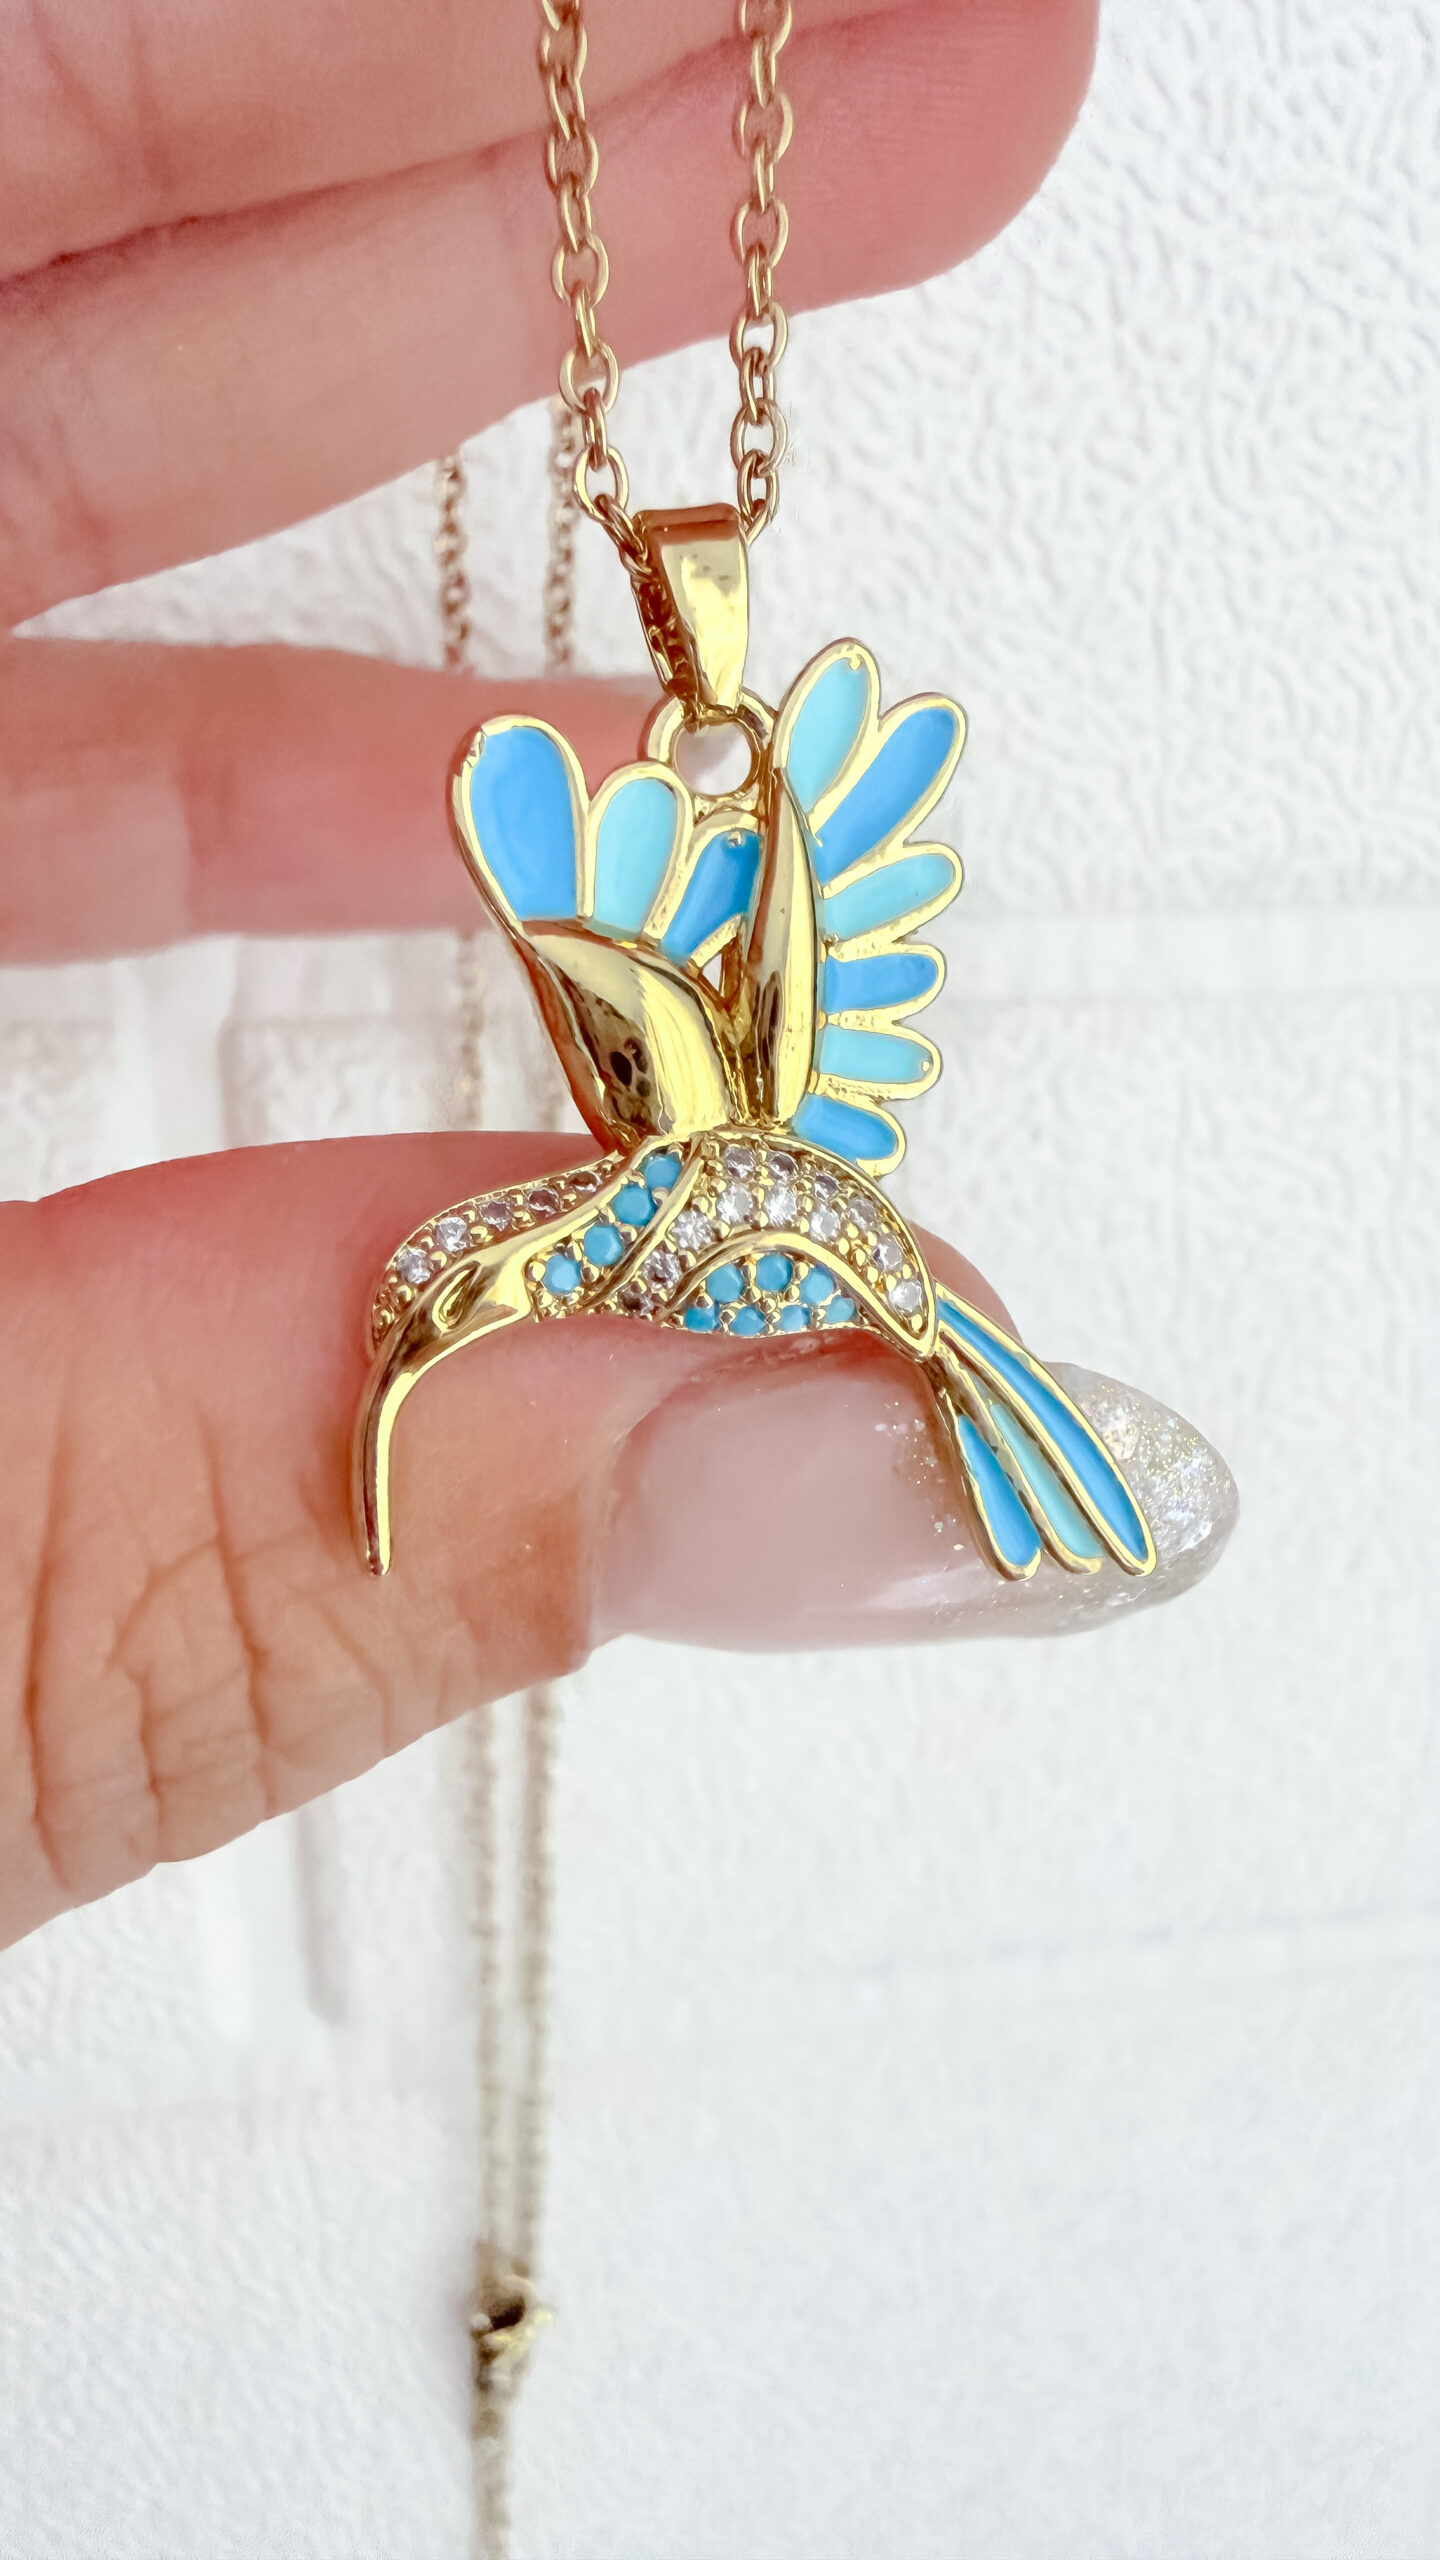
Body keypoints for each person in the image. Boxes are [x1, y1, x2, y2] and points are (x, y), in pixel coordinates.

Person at [0, 0, 1197, 1952]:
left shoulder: (661, 1156)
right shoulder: (609, 1222)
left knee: (600, 966)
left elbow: (653, 1057)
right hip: (816, 1253)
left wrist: (736, 885)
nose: (482, 1305)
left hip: (849, 1262)